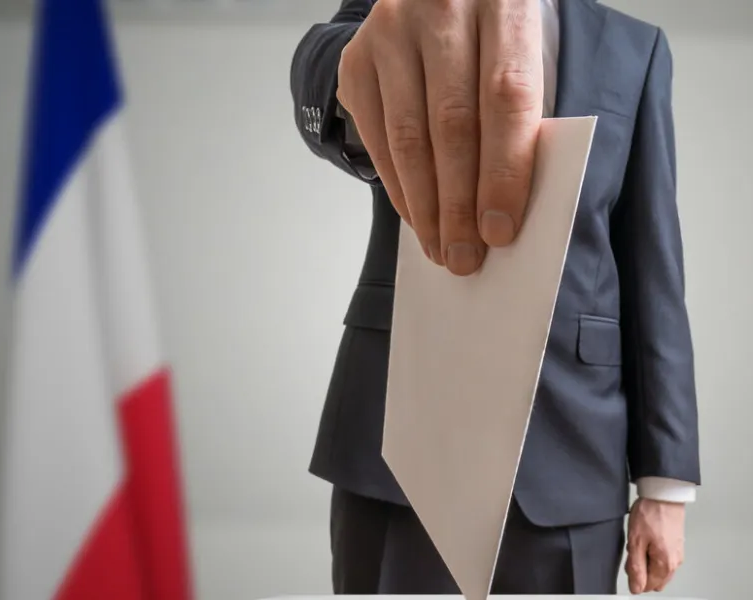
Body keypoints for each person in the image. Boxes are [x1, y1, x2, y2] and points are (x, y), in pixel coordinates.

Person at [290, 0, 700, 594]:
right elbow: (322, 65)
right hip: (399, 441)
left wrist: (665, 486)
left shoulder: (637, 49)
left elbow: (653, 267)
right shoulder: (399, 6)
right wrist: (355, 75)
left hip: (572, 450)